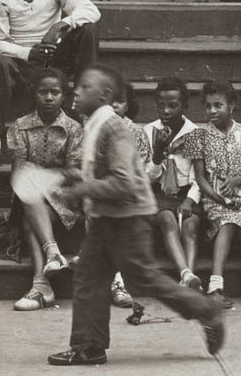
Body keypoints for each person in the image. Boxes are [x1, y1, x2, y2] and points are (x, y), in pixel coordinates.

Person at [46, 64, 224, 367]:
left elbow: (124, 182)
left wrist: (83, 188)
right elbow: (103, 172)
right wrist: (76, 176)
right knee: (89, 278)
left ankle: (205, 309)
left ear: (104, 95)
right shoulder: (94, 123)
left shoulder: (114, 128)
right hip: (106, 218)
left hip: (128, 219)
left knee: (141, 279)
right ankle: (88, 346)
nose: (76, 90)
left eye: (85, 86)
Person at [0, 0, 101, 169]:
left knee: (87, 29)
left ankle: (85, 105)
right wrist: (28, 53)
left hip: (55, 58)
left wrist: (61, 24)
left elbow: (91, 10)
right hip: (22, 62)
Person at [6, 68, 83, 313]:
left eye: (55, 92)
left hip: (65, 200)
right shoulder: (20, 127)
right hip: (32, 199)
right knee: (26, 187)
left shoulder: (73, 128)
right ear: (34, 94)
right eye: (43, 92)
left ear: (64, 96)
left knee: (30, 208)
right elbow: (18, 169)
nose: (48, 97)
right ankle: (52, 255)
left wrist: (42, 176)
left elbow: (74, 173)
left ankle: (41, 284)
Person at [190, 81, 241, 311]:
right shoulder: (198, 135)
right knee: (227, 221)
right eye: (208, 106)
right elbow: (201, 178)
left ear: (231, 105)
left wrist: (235, 182)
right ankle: (215, 287)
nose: (212, 111)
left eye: (218, 105)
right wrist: (218, 197)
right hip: (213, 198)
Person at [143, 76, 203, 291]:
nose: (166, 111)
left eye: (173, 105)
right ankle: (185, 274)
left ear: (184, 105)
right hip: (159, 193)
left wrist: (189, 200)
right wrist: (158, 153)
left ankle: (189, 279)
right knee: (167, 218)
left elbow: (199, 176)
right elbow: (147, 177)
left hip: (187, 193)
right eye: (161, 106)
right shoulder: (149, 131)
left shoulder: (195, 133)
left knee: (191, 225)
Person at [108, 81, 148, 310]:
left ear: (128, 105)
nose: (114, 106)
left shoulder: (136, 132)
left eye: (120, 101)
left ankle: (119, 281)